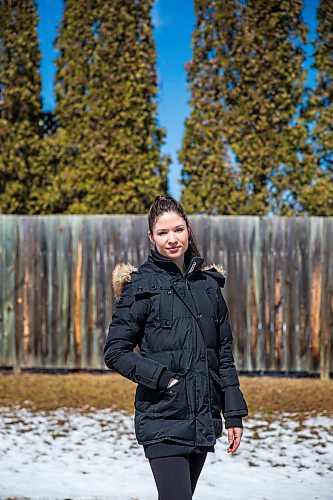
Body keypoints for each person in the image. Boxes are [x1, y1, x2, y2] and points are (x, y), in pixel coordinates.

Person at [103, 195, 248, 500]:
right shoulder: (139, 286)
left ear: (188, 229)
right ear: (151, 237)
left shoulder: (208, 287)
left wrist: (233, 414)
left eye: (178, 230)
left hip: (204, 416)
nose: (172, 239)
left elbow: (223, 353)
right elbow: (115, 351)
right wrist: (163, 379)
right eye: (163, 233)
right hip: (162, 415)